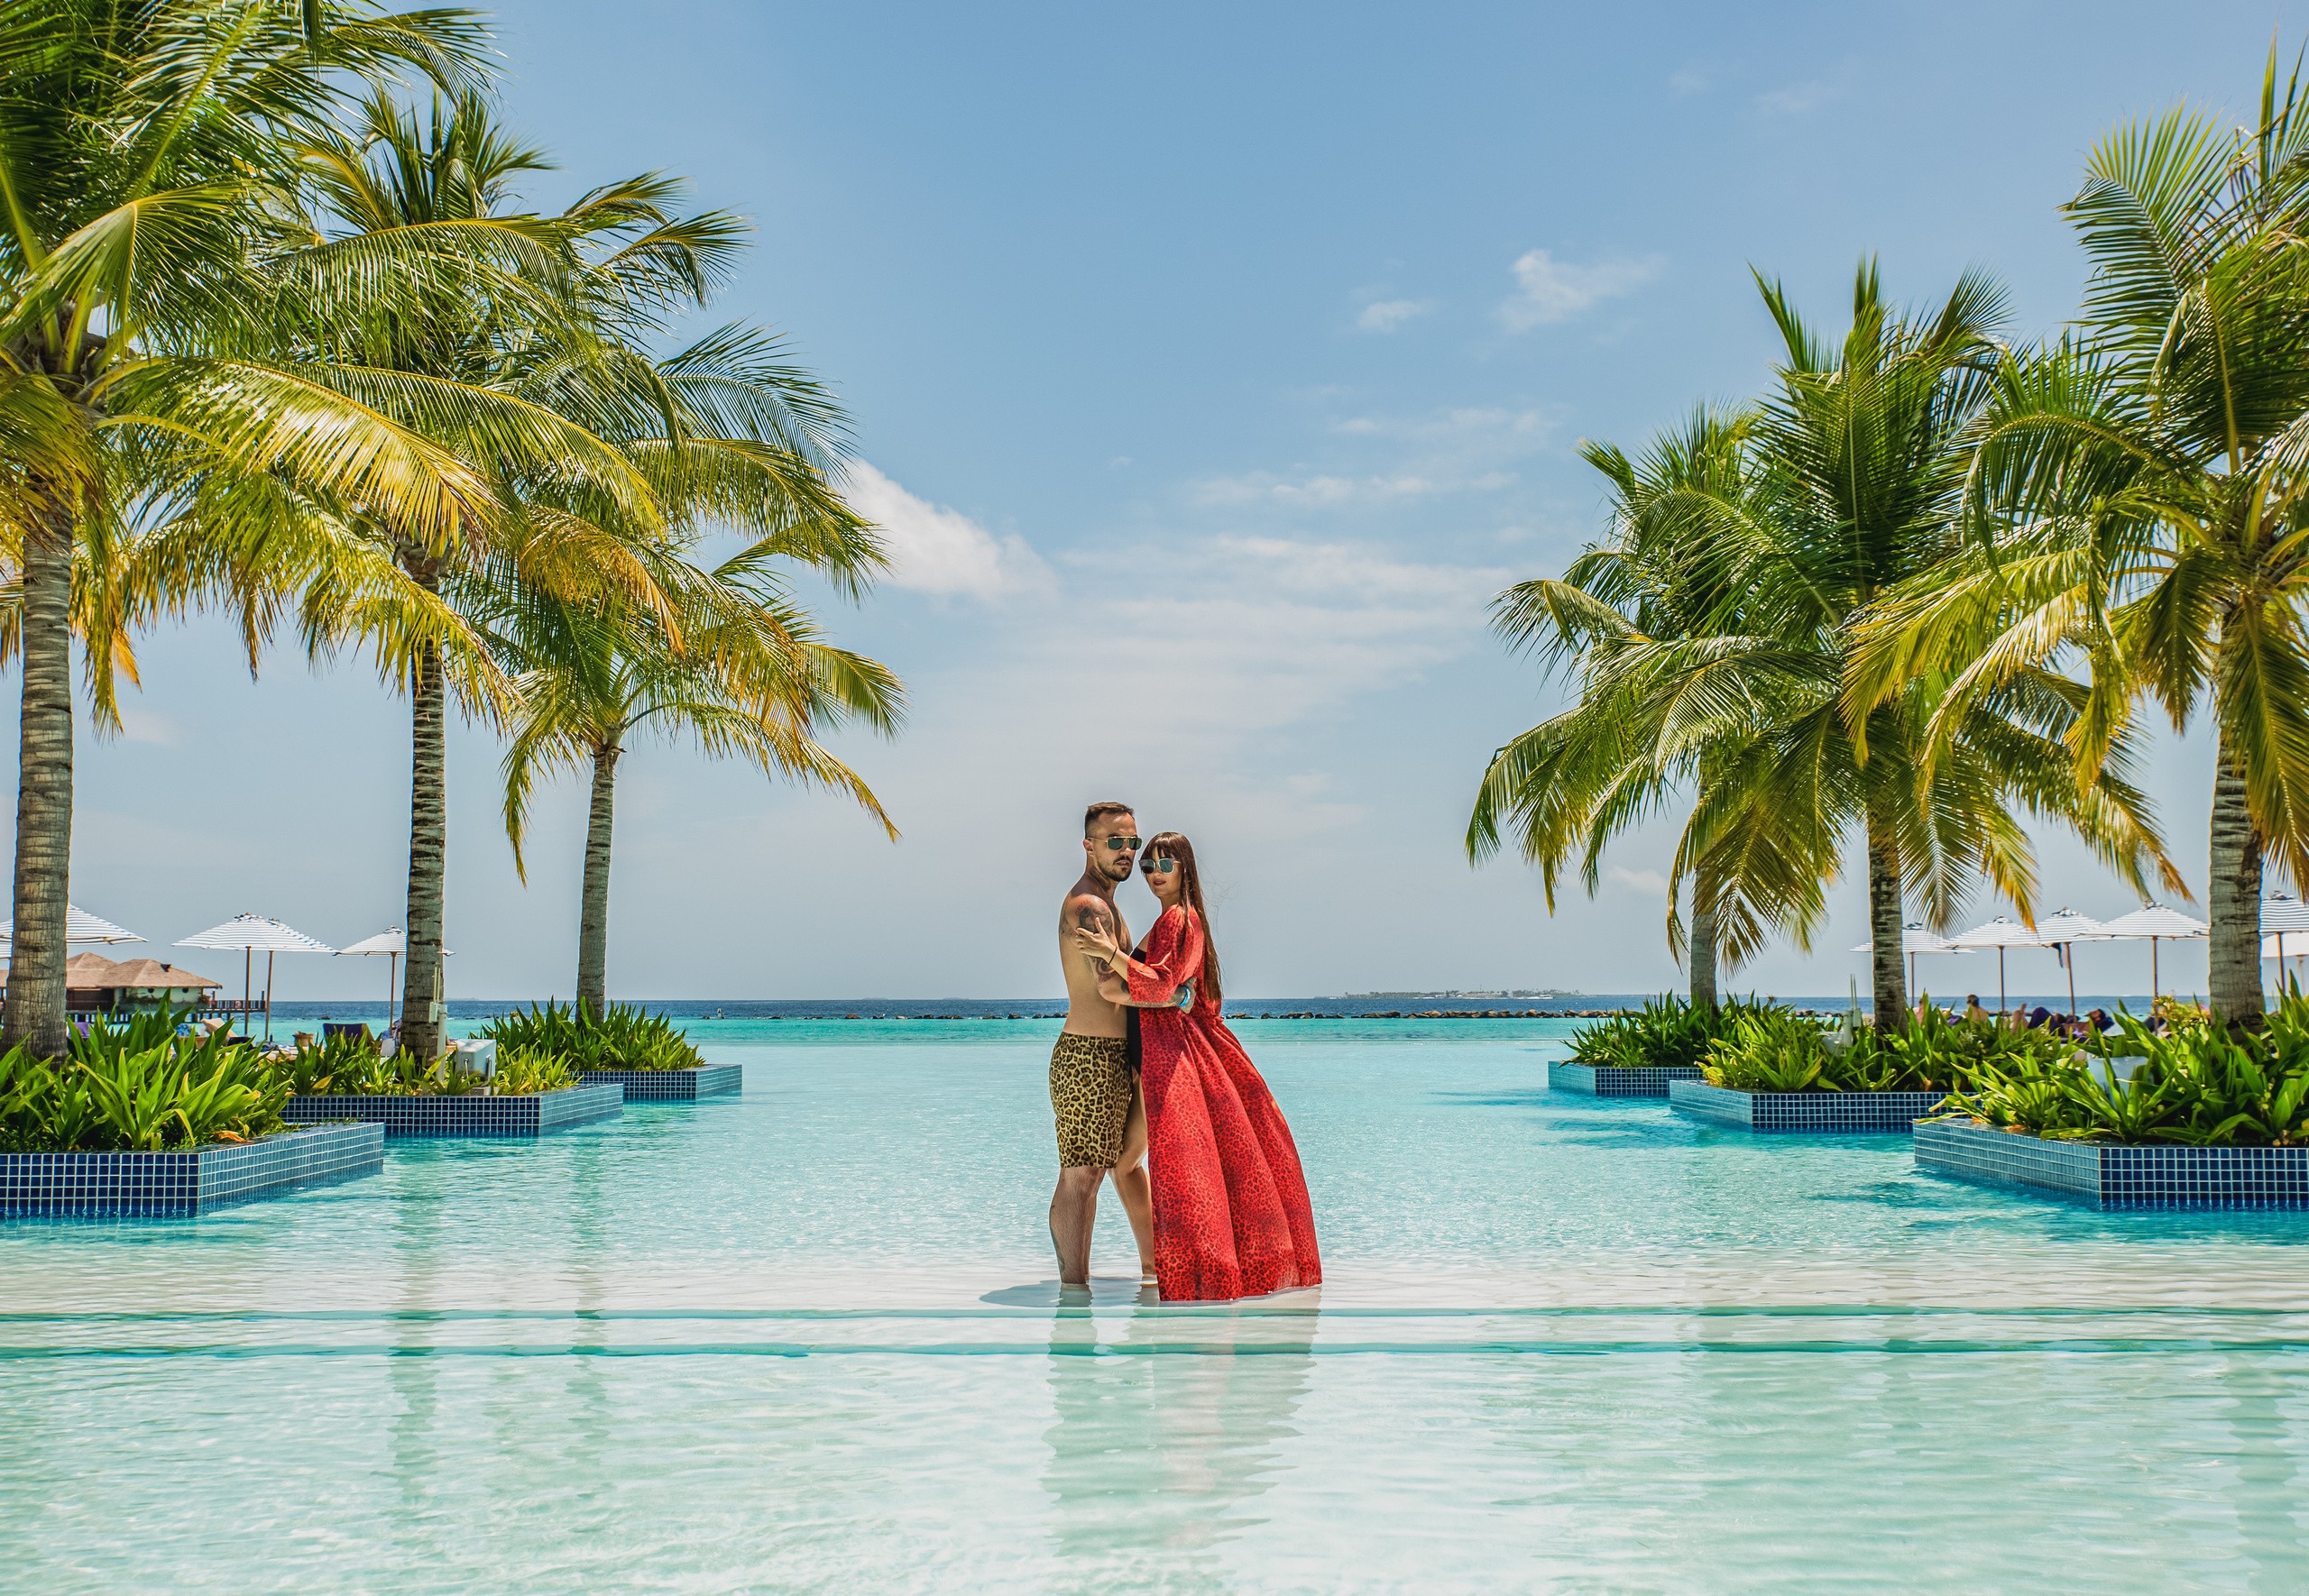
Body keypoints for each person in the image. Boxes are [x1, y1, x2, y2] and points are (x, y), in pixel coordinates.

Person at [1076, 830, 1321, 1302]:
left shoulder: (1181, 919)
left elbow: (1165, 984)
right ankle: (1159, 1266)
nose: (1153, 876)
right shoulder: (1173, 920)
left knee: (1178, 1171)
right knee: (1132, 1163)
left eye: (1163, 866)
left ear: (1184, 868)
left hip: (1168, 1054)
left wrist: (1113, 961)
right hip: (1155, 1051)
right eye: (1147, 867)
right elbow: (1178, 991)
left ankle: (1190, 1270)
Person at [1048, 801, 1156, 1287]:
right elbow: (1110, 987)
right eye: (1116, 841)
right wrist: (1178, 997)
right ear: (1088, 845)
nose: (1127, 851)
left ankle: (1156, 1269)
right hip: (1088, 1057)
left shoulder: (1109, 903)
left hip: (1115, 1055)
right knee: (1083, 1174)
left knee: (1124, 1163)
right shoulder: (1089, 905)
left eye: (1133, 842)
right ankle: (1075, 1291)